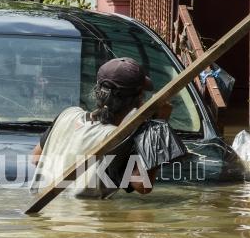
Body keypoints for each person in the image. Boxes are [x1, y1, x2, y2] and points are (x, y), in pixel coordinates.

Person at [30, 57, 186, 198]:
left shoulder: (68, 115)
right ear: (139, 99)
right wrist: (158, 123)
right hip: (82, 225)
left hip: (45, 220)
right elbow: (142, 186)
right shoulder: (119, 139)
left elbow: (36, 157)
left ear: (98, 90)